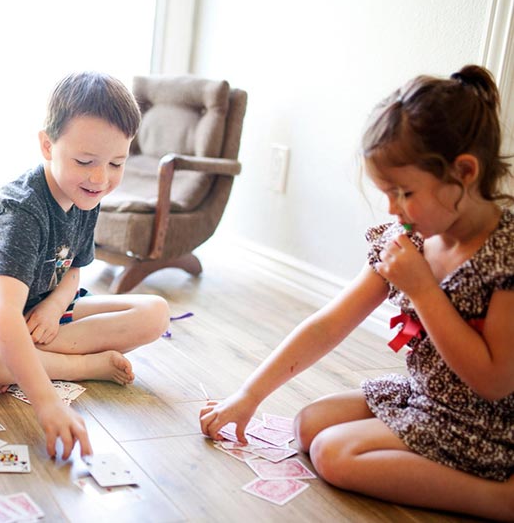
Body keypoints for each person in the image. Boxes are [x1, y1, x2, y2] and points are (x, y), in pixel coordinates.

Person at [199, 64, 514, 520]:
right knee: (307, 425)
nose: (392, 208)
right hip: (422, 394)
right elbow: (329, 324)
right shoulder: (412, 239)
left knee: (332, 453)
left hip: (484, 424)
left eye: (405, 191)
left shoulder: (503, 257)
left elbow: (493, 381)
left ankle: (500, 498)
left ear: (464, 173)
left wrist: (424, 291)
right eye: (386, 192)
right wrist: (250, 394)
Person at [0, 71, 171, 460]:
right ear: (47, 145)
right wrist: (48, 402)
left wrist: (54, 307)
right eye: (86, 161)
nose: (100, 178)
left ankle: (17, 361)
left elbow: (73, 271)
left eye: (116, 164)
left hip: (37, 307)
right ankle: (81, 365)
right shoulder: (21, 211)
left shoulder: (87, 194)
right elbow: (3, 315)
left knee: (155, 313)